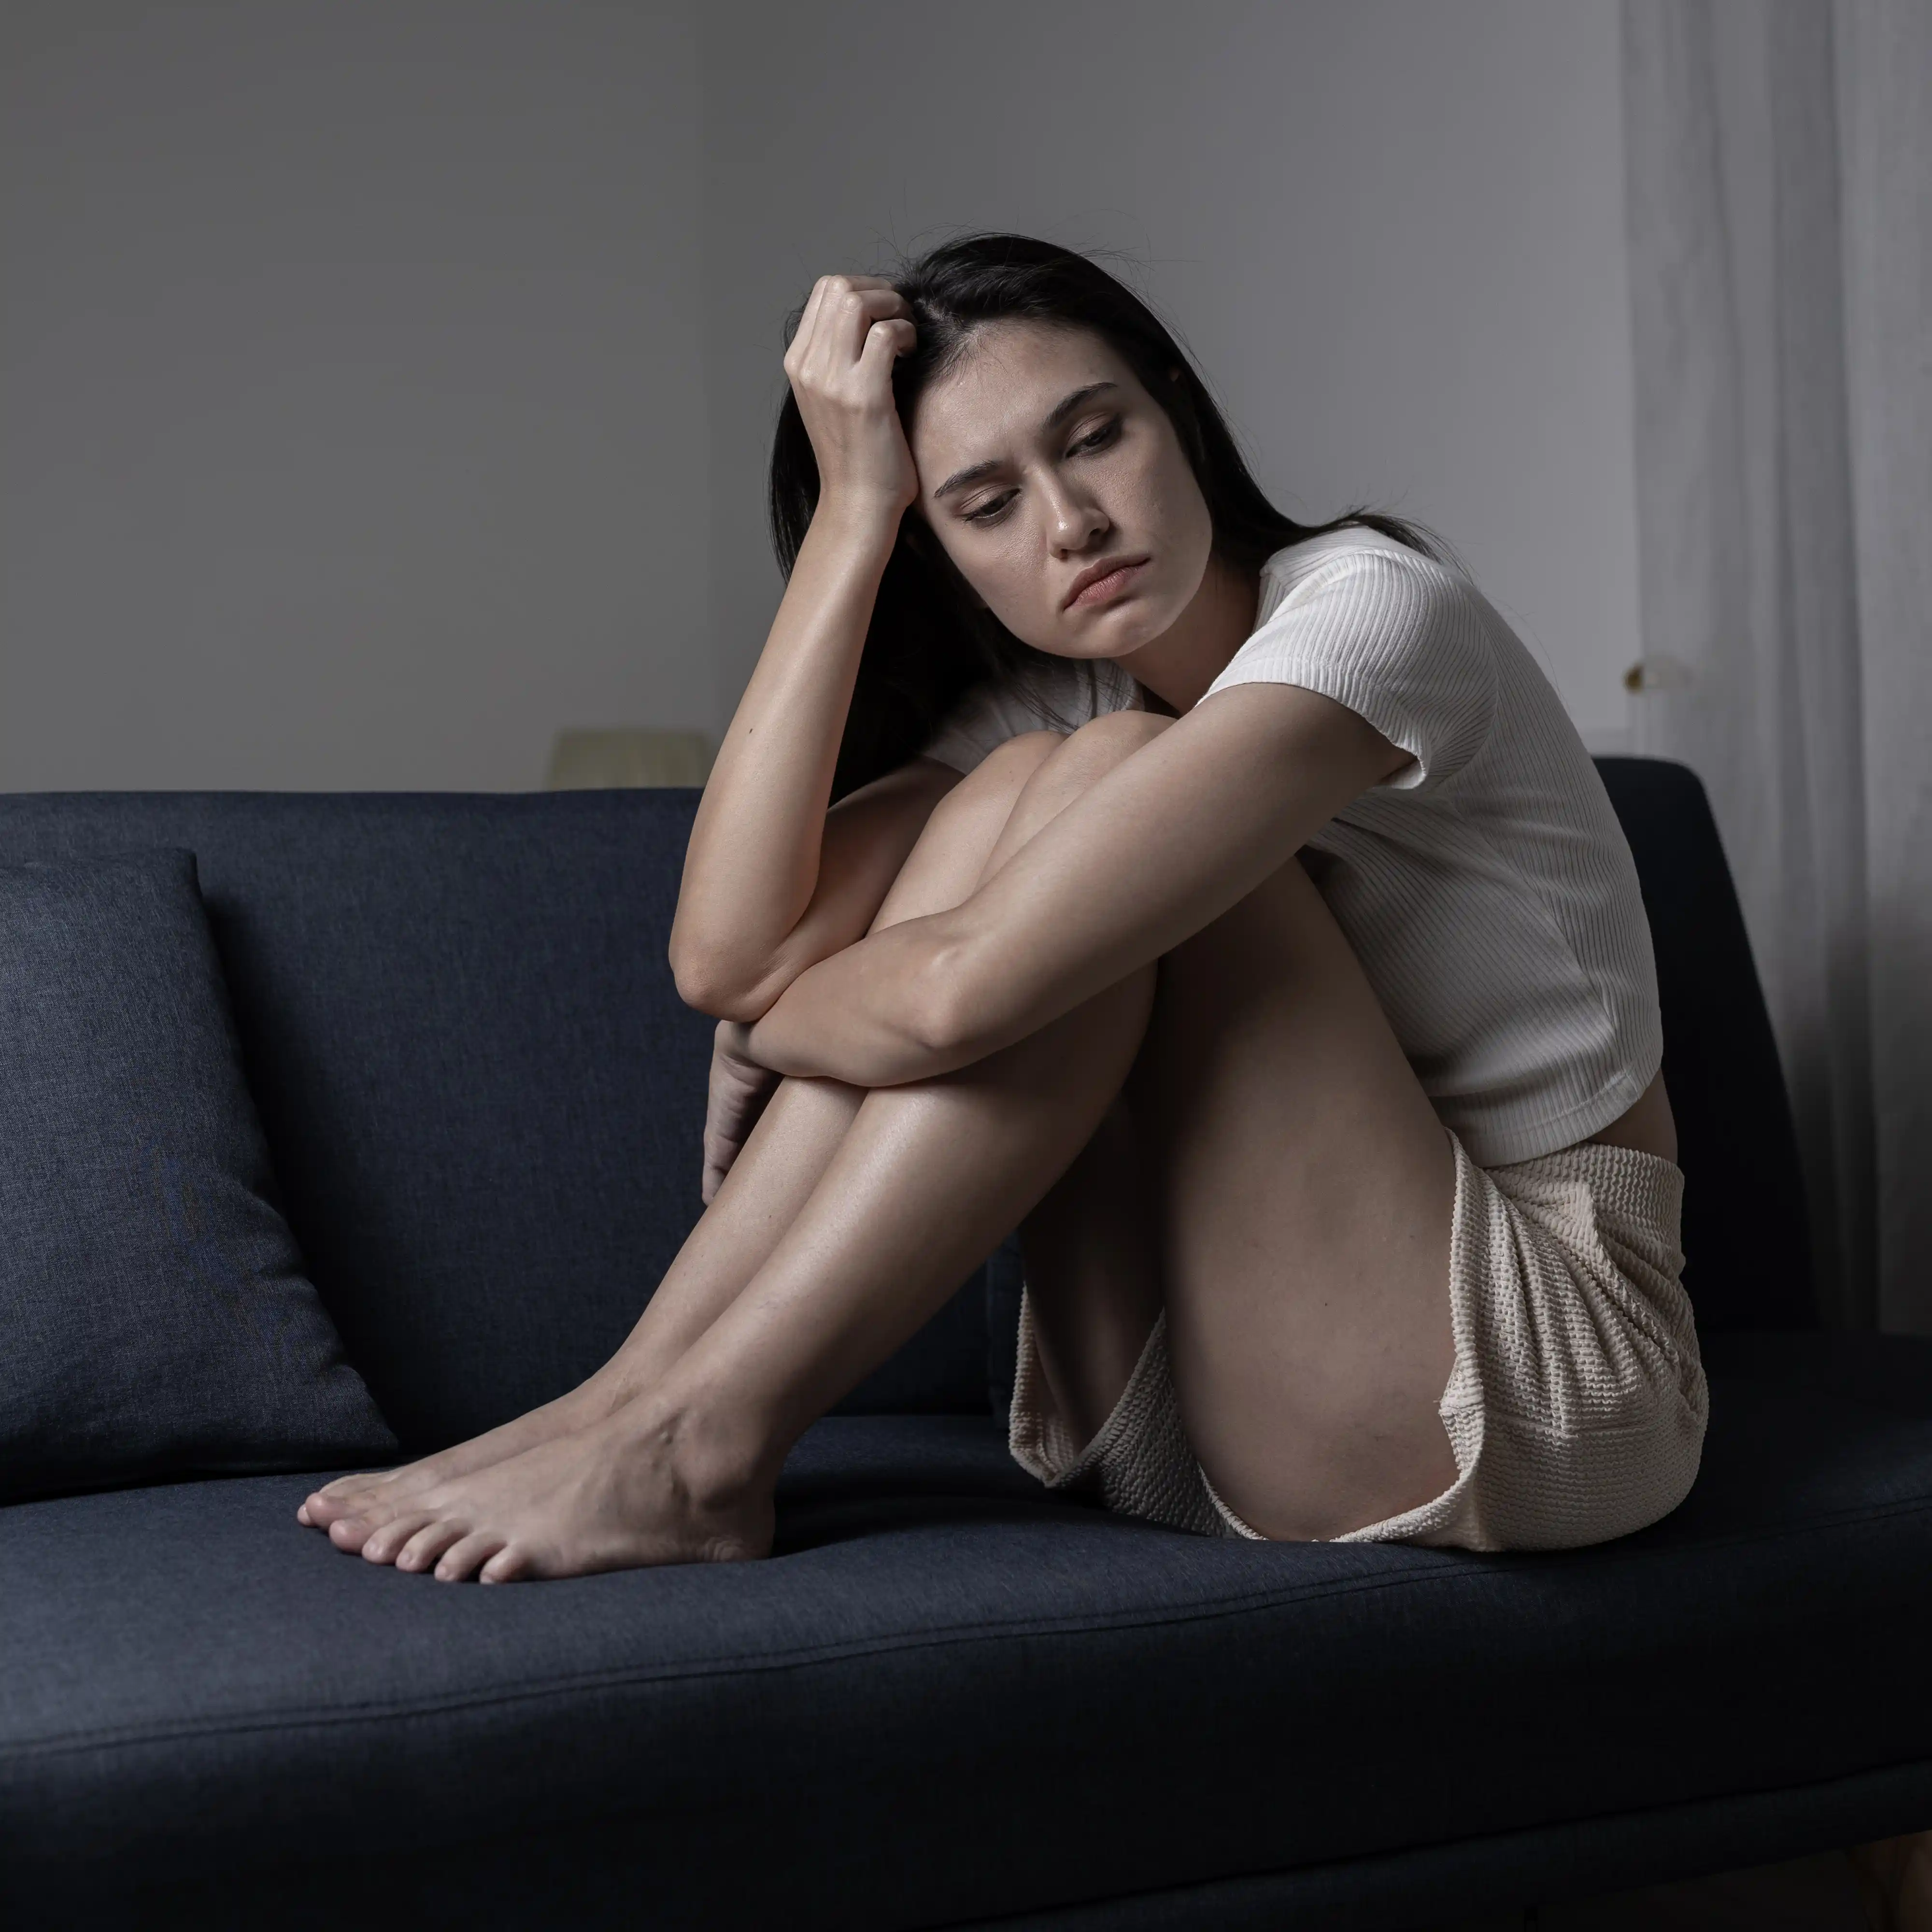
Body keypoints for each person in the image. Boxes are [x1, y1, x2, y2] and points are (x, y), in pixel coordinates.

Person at [298, 233, 1708, 1582]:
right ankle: (631, 1404)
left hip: (1533, 1389)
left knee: (1114, 781)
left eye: (1096, 437)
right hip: (1195, 1399)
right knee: (1050, 774)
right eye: (984, 505)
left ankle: (701, 1444)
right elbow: (727, 953)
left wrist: (783, 1028)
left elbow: (952, 993)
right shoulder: (1065, 694)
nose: (1072, 522)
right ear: (944, 550)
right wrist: (855, 519)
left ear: (1178, 417)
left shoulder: (1374, 616)